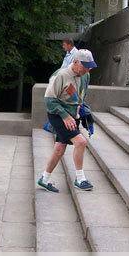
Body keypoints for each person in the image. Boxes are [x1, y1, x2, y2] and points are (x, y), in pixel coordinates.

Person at [38, 49, 97, 193]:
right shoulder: (61, 75)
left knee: (59, 149)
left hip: (72, 116)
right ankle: (80, 179)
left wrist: (81, 111)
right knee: (81, 142)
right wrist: (65, 116)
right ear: (75, 62)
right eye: (85, 66)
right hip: (58, 115)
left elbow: (82, 94)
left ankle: (44, 179)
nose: (88, 69)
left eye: (90, 66)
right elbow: (49, 101)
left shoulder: (85, 75)